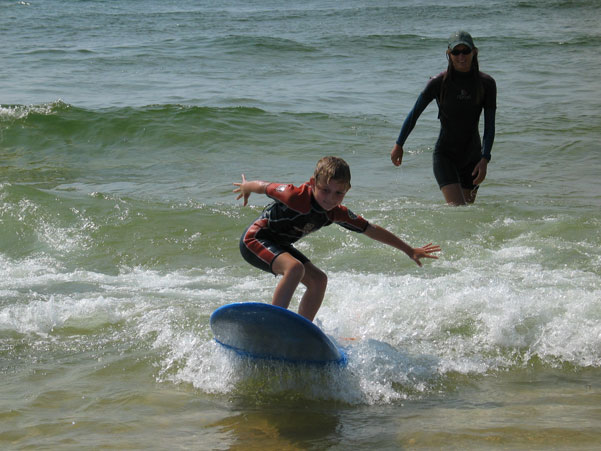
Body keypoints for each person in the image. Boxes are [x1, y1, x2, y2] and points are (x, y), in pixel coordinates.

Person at [233, 156, 441, 322]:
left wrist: (408, 250)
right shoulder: (294, 195)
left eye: (338, 193)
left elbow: (370, 229)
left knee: (319, 280)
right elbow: (263, 187)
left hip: (280, 246)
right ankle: (273, 325)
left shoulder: (335, 212)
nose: (331, 198)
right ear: (313, 183)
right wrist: (246, 187)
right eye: (325, 190)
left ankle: (301, 330)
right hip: (255, 240)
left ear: (347, 190)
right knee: (295, 268)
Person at [390, 30, 497, 205]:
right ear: (449, 54)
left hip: (473, 158)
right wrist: (399, 144)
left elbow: (490, 126)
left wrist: (485, 159)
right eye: (456, 52)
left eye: (466, 51)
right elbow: (414, 114)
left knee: (466, 215)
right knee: (458, 208)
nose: (461, 56)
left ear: (474, 52)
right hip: (445, 156)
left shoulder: (486, 84)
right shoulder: (438, 82)